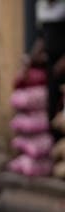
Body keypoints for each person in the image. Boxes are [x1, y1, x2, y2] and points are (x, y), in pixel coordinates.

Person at [32, 0, 65, 138]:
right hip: (51, 65)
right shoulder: (41, 7)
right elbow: (42, 37)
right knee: (52, 107)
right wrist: (32, 58)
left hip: (62, 63)